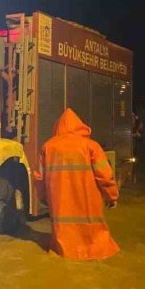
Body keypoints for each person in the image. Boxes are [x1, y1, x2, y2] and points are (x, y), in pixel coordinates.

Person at [34, 108, 120, 261]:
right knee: (95, 249)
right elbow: (105, 177)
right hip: (88, 207)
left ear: (57, 127)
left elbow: (39, 178)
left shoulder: (47, 147)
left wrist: (43, 198)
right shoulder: (91, 146)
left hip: (60, 212)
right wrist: (112, 197)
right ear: (80, 126)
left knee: (63, 254)